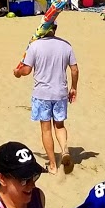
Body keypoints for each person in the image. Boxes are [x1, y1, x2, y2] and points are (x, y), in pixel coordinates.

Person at [15, 20, 79, 174]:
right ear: (55, 29)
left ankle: (52, 165)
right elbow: (74, 70)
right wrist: (74, 87)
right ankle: (64, 150)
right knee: (59, 125)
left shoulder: (35, 46)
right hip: (60, 92)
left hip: (42, 93)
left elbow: (27, 70)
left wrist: (17, 72)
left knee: (46, 129)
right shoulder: (66, 45)